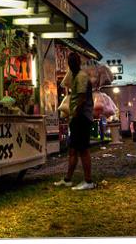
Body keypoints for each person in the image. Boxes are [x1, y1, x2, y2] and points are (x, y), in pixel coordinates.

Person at [54, 52, 96, 190]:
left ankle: (88, 181)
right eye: (69, 61)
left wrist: (75, 114)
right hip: (76, 117)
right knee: (73, 150)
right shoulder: (74, 75)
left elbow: (82, 99)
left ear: (78, 63)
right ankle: (68, 179)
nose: (71, 64)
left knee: (83, 149)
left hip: (82, 117)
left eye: (73, 61)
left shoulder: (82, 77)